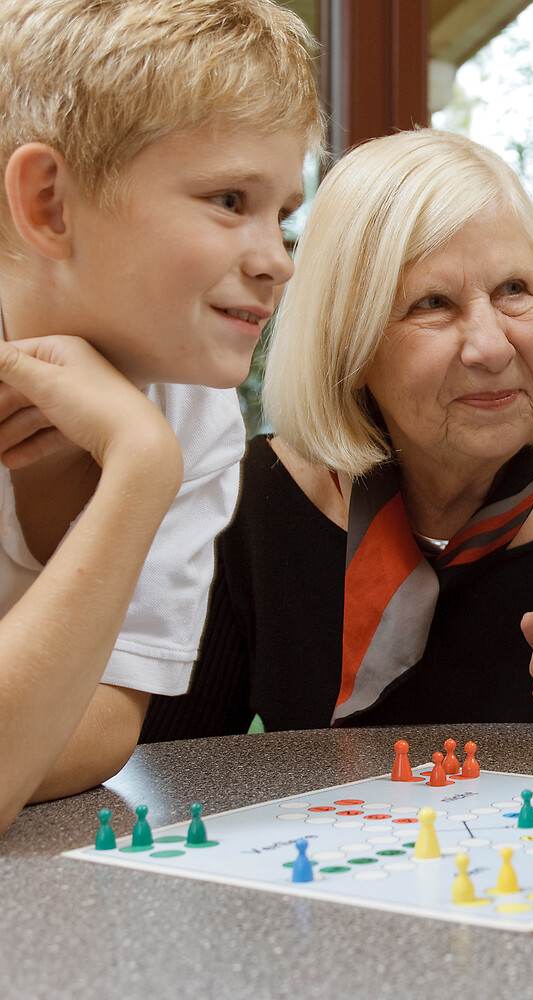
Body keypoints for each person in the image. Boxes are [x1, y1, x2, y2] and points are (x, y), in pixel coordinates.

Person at [141, 129, 533, 739]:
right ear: (348, 343)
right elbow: (170, 783)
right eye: (433, 303)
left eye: (514, 290)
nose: (491, 346)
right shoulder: (245, 502)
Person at [0, 0, 319, 833]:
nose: (277, 261)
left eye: (281, 215)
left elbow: (108, 726)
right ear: (50, 204)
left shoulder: (191, 417)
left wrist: (142, 460)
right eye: (226, 199)